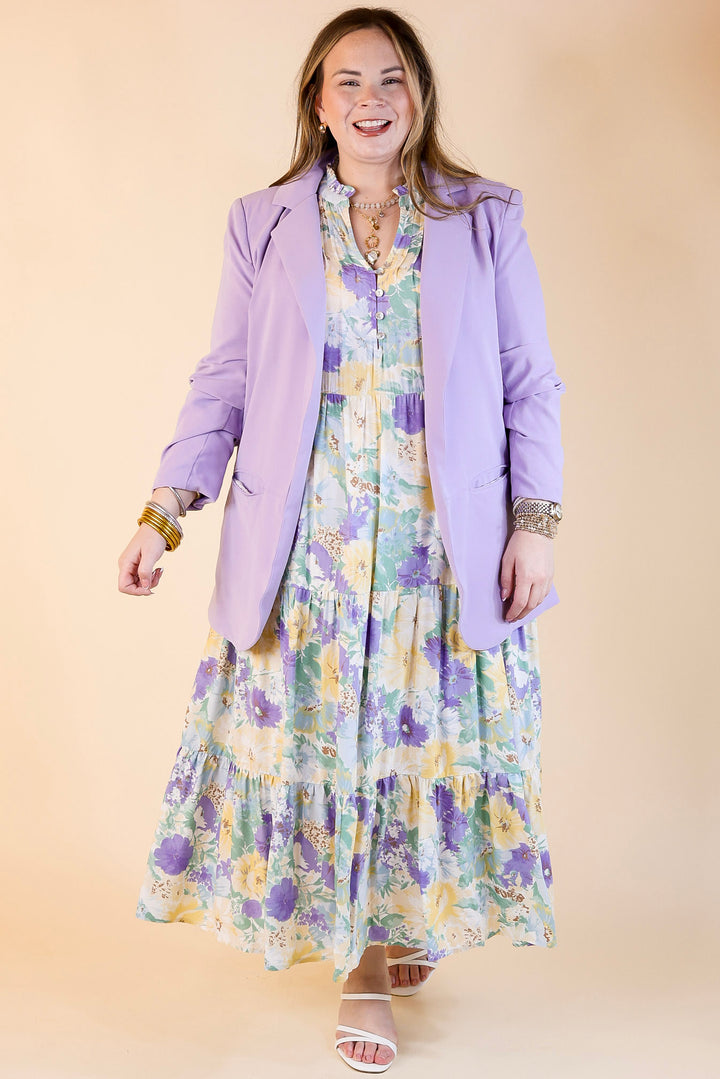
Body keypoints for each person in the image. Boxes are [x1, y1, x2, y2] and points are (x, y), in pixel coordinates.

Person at [119, 7, 566, 1073]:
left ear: (420, 96)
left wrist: (535, 523)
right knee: (338, 748)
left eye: (391, 79)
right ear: (317, 104)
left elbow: (529, 381)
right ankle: (362, 962)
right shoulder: (262, 223)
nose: (371, 100)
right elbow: (226, 378)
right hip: (306, 553)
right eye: (348, 82)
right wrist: (164, 509)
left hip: (436, 553)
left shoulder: (484, 216)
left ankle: (397, 925)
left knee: (414, 750)